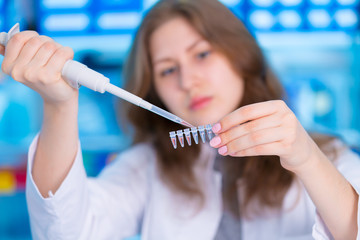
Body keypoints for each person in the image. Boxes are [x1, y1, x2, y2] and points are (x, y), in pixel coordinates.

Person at [1, 0, 359, 239]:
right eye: (168, 70)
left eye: (202, 54)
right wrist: (60, 107)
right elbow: (65, 231)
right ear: (154, 89)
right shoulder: (147, 167)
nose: (188, 81)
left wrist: (309, 159)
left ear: (241, 57)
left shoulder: (331, 156)